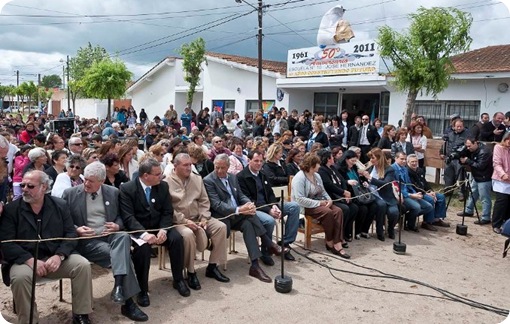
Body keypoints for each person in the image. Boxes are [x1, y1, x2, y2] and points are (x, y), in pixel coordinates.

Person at [0, 171, 93, 324]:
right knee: (20, 278)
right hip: (24, 260)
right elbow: (6, 242)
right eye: (22, 185)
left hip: (55, 257)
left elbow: (70, 233)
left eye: (30, 186)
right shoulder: (12, 209)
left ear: (44, 187)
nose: (24, 189)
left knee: (82, 265)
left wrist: (59, 255)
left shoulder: (60, 205)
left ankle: (81, 315)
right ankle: (30, 320)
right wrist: (30, 260)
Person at [62, 162, 148, 321]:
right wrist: (77, 229)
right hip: (87, 240)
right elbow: (63, 221)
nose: (86, 183)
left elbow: (122, 216)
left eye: (91, 181)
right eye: (85, 179)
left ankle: (120, 288)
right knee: (122, 256)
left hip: (110, 236)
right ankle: (127, 302)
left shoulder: (113, 192)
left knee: (122, 236)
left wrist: (117, 225)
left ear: (102, 181)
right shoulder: (70, 194)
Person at [204, 154, 287, 283]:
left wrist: (249, 204)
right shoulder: (209, 180)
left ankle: (255, 265)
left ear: (228, 167)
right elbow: (217, 205)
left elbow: (240, 195)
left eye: (223, 168)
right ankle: (268, 243)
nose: (219, 171)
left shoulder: (232, 177)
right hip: (223, 217)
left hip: (238, 215)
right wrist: (240, 209)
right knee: (249, 217)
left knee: (248, 222)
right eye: (217, 167)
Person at [119, 157, 189, 297]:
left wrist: (163, 229)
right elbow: (128, 217)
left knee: (176, 239)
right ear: (146, 176)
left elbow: (167, 211)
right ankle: (142, 289)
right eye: (157, 174)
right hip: (139, 230)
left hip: (159, 227)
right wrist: (144, 234)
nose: (161, 176)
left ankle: (178, 279)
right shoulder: (127, 189)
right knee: (143, 249)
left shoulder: (162, 186)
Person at [167, 153, 230, 289]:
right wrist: (184, 221)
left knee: (221, 227)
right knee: (188, 235)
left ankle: (213, 266)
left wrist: (204, 217)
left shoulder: (197, 179)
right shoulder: (166, 182)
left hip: (198, 217)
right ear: (175, 166)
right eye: (185, 165)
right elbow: (168, 209)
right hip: (179, 221)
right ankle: (191, 272)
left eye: (190, 164)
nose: (189, 168)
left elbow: (204, 200)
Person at [237, 150, 300, 263]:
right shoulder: (241, 177)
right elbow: (249, 201)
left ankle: (285, 242)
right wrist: (269, 210)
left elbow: (270, 193)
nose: (259, 163)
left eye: (261, 161)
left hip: (269, 205)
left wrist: (274, 206)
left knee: (294, 207)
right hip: (254, 208)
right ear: (249, 161)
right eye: (256, 161)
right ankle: (266, 250)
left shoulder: (263, 174)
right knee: (269, 221)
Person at [291, 153, 350, 258]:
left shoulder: (317, 176)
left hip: (319, 202)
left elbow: (323, 191)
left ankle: (336, 242)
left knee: (338, 211)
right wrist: (319, 203)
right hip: (305, 206)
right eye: (318, 164)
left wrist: (329, 200)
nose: (319, 166)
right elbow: (300, 199)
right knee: (328, 212)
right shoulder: (299, 178)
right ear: (312, 165)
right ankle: (330, 241)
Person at [317, 149, 358, 242]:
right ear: (328, 159)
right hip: (331, 197)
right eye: (331, 157)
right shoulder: (322, 170)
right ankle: (338, 235)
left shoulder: (333, 167)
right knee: (344, 209)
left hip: (340, 195)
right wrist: (343, 193)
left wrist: (345, 192)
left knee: (354, 208)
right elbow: (329, 185)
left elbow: (342, 180)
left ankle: (346, 233)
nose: (333, 158)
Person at [454, 138, 494, 225]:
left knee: (484, 198)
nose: (468, 148)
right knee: (473, 193)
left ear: (475, 143)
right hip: (476, 176)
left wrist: (467, 161)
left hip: (484, 178)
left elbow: (480, 166)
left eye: (469, 146)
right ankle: (469, 210)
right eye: (467, 146)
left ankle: (486, 217)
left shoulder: (484, 151)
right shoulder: (473, 150)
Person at [391, 151, 434, 231]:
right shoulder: (392, 169)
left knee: (428, 206)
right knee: (416, 207)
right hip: (401, 195)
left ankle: (407, 217)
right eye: (401, 159)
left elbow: (409, 184)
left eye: (404, 159)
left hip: (409, 192)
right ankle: (410, 225)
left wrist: (415, 193)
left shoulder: (404, 169)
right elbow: (396, 186)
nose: (404, 161)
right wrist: (410, 195)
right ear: (396, 158)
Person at [406, 154, 450, 228]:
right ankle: (427, 222)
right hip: (417, 193)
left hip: (426, 192)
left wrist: (431, 191)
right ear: (408, 162)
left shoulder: (420, 170)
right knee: (430, 199)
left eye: (415, 161)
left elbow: (425, 183)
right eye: (412, 162)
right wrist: (426, 193)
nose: (414, 163)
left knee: (441, 197)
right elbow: (414, 186)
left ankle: (436, 219)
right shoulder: (407, 172)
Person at [441, 118, 470, 198]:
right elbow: (445, 145)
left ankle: (461, 193)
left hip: (460, 158)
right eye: (457, 126)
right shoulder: (449, 134)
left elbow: (467, 146)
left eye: (461, 126)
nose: (459, 128)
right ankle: (448, 191)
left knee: (460, 175)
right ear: (453, 127)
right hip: (449, 157)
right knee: (448, 175)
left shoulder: (467, 134)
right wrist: (442, 152)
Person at [491, 131, 510, 234]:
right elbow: (497, 163)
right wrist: (502, 173)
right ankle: (496, 224)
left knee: (509, 204)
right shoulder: (498, 148)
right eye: (508, 140)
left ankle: (506, 224)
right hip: (501, 179)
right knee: (502, 201)